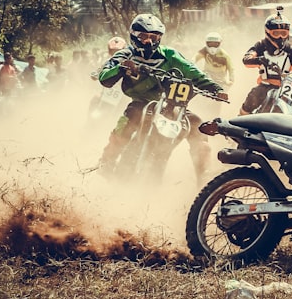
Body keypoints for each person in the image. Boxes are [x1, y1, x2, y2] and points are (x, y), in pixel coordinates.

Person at [96, 13, 229, 180]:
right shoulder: (125, 54)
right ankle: (106, 163)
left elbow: (193, 71)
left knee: (197, 127)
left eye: (153, 37)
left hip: (169, 104)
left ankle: (204, 178)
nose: (148, 41)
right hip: (141, 103)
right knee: (124, 126)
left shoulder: (170, 55)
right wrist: (122, 68)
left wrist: (215, 88)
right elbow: (104, 77)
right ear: (134, 35)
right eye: (143, 36)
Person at [238, 13, 292, 116]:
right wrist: (260, 60)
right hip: (266, 86)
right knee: (252, 98)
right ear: (268, 32)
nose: (280, 37)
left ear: (288, 33)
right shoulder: (261, 46)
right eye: (276, 33)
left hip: (286, 90)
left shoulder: (291, 52)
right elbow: (246, 59)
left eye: (283, 33)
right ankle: (240, 120)